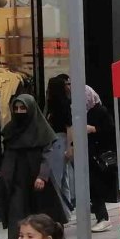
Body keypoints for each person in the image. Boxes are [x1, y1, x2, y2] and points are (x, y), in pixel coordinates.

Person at [0, 95, 68, 239]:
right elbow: (8, 154)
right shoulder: (11, 130)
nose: (19, 112)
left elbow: (48, 154)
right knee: (16, 215)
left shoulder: (41, 130)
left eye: (23, 108)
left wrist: (42, 176)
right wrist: (4, 174)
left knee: (43, 217)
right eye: (16, 108)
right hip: (17, 179)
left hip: (38, 180)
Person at [84, 86, 115, 233]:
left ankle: (103, 217)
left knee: (96, 185)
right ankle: (100, 215)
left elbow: (110, 130)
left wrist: (94, 129)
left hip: (99, 155)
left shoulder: (100, 111)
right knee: (92, 186)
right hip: (89, 153)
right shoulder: (83, 112)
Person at [44, 75, 73, 216]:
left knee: (57, 177)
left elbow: (69, 127)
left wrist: (69, 147)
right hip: (58, 140)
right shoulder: (55, 104)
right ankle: (65, 210)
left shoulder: (61, 105)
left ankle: (61, 210)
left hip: (59, 140)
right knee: (63, 176)